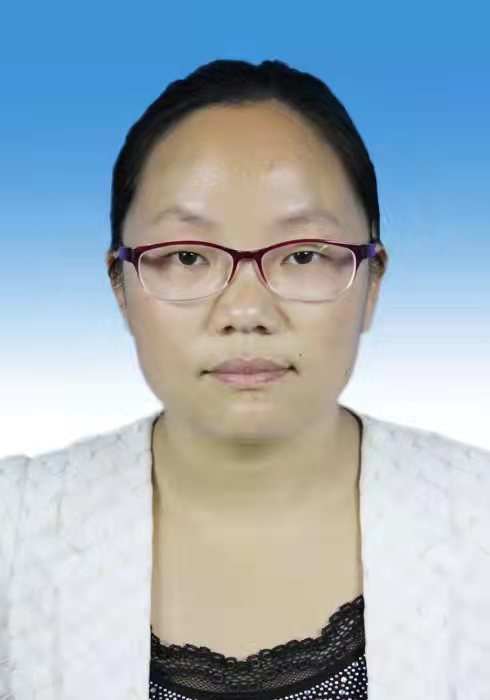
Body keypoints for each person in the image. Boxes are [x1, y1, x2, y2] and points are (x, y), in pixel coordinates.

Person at [1, 59, 489, 700]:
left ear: (372, 283)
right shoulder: (15, 531)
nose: (246, 311)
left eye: (303, 255)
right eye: (186, 256)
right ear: (121, 286)